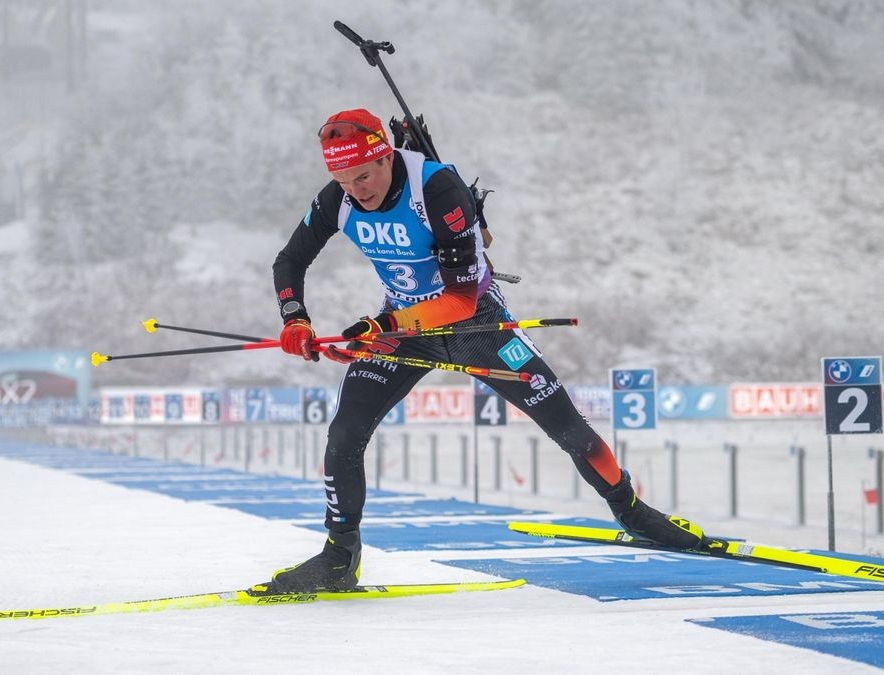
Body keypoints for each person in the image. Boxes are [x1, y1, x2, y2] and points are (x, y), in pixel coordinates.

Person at [265, 108, 703, 592]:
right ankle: (339, 557)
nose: (356, 190)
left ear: (386, 156)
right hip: (403, 326)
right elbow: (289, 261)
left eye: (363, 175)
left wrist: (380, 325)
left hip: (478, 323)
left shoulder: (436, 190)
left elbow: (459, 298)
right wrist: (295, 319)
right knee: (344, 434)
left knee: (570, 430)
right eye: (343, 181)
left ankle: (634, 513)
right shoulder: (338, 200)